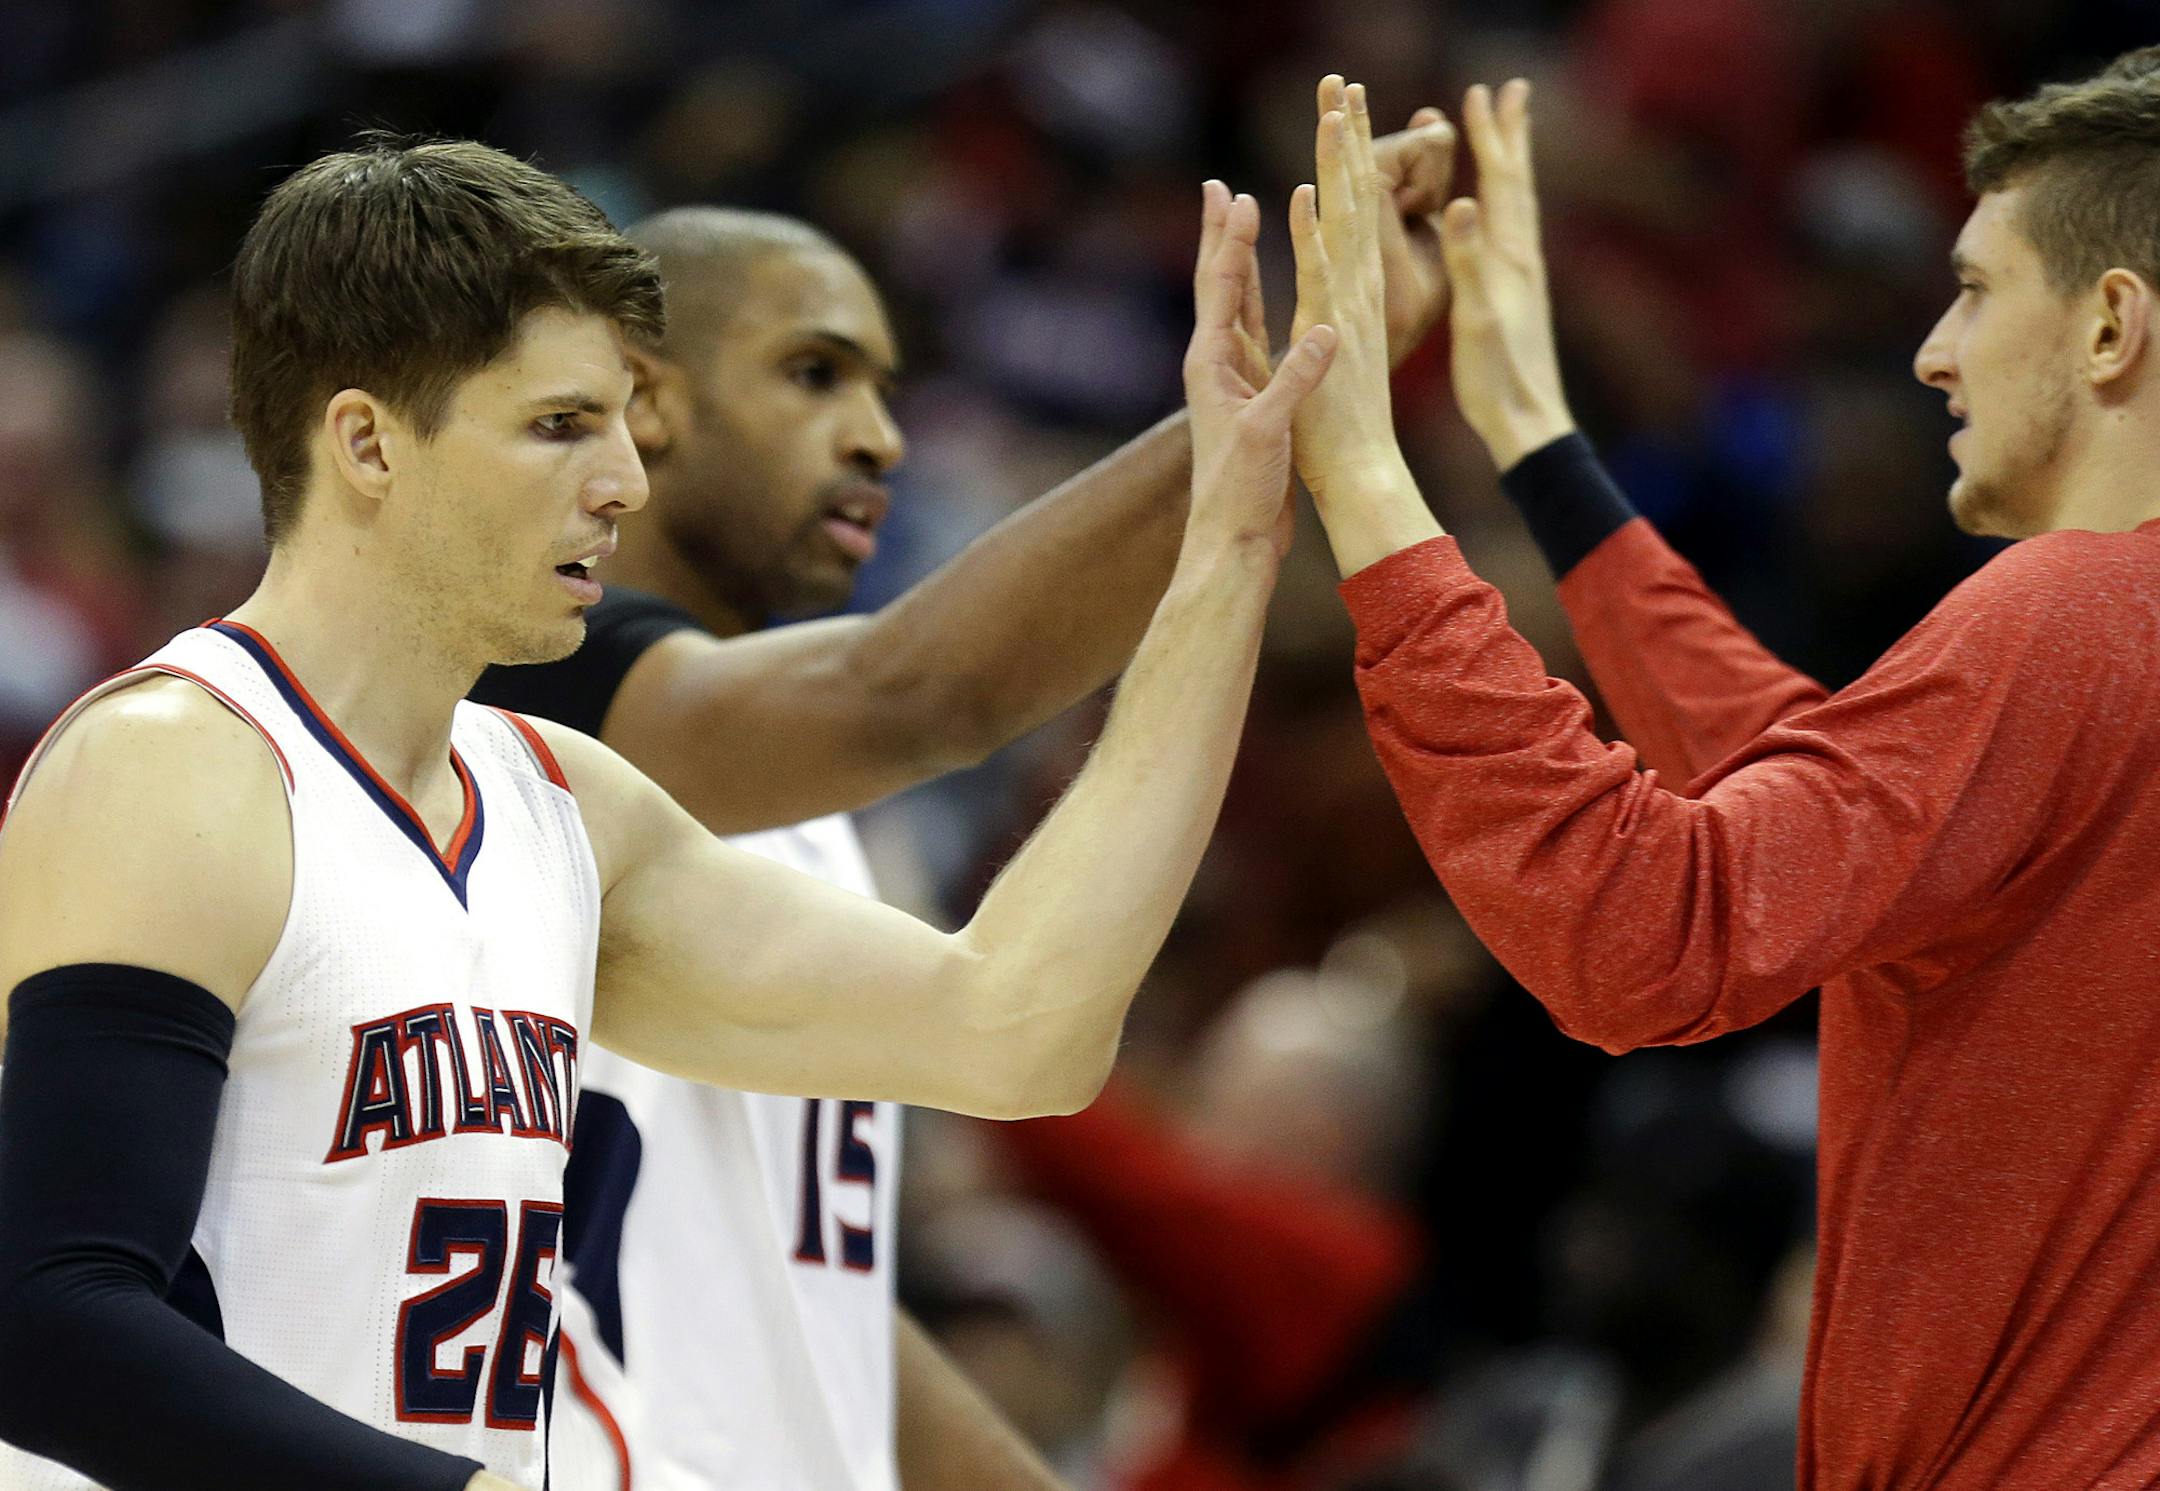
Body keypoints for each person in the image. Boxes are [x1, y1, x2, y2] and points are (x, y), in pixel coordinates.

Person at [0, 133, 1336, 1491]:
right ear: (366, 443)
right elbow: (50, 1326)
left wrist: (1226, 543)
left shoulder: (561, 808)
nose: (626, 483)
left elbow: (1016, 1031)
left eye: (625, 429)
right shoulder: (177, 766)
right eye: (561, 426)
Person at [467, 123, 1457, 1491]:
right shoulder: (524, 697)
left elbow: (814, 1304)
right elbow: (916, 694)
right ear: (650, 401)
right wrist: (1287, 387)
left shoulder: (812, 827)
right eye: (813, 375)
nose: (878, 437)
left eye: (886, 389)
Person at [1284, 54, 2160, 1491]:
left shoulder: (2069, 613)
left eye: (1980, 291)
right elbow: (1815, 791)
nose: (1935, 351)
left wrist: (1366, 480)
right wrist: (1534, 440)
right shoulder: (2106, 652)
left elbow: (1651, 930)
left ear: (2112, 326)